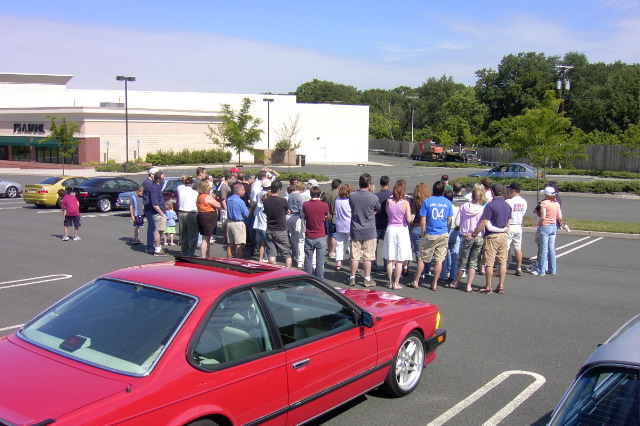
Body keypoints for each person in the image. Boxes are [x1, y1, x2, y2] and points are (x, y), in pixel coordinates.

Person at [409, 180, 453, 291]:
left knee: (422, 258)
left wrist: (423, 233)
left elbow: (423, 220)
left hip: (430, 232)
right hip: (443, 233)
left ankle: (416, 281)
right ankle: (434, 283)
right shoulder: (447, 203)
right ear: (443, 191)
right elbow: (449, 219)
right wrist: (447, 230)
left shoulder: (427, 202)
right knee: (439, 259)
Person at [471, 183, 512, 294]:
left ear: (492, 192)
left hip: (492, 236)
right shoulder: (507, 205)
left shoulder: (490, 205)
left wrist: (475, 233)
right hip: (503, 236)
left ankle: (488, 286)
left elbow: (484, 221)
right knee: (502, 261)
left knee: (489, 262)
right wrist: (504, 229)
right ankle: (501, 285)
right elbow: (509, 221)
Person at [346, 173, 381, 287]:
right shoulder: (373, 197)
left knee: (354, 256)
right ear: (369, 184)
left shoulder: (352, 196)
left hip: (356, 229)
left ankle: (352, 277)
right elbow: (378, 208)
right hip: (369, 230)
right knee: (368, 256)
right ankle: (367, 278)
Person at [451, 185, 487, 292]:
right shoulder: (482, 209)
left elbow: (457, 222)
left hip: (466, 235)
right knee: (473, 261)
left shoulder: (464, 206)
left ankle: (455, 282)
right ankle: (469, 285)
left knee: (462, 260)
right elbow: (483, 223)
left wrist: (464, 227)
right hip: (478, 236)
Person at [382, 180, 413, 290]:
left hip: (391, 228)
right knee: (400, 258)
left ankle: (390, 282)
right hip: (401, 229)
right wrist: (412, 217)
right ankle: (396, 283)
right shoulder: (405, 203)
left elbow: (387, 213)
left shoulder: (388, 201)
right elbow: (408, 219)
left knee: (390, 258)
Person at [533, 187, 562, 276]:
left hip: (545, 226)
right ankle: (552, 269)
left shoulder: (544, 203)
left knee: (543, 249)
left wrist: (539, 223)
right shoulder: (556, 203)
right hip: (553, 226)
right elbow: (559, 216)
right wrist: (560, 223)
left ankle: (541, 270)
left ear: (546, 194)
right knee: (551, 249)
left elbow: (543, 216)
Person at [262, 180, 292, 267]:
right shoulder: (283, 201)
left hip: (270, 228)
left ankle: (273, 271)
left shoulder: (266, 201)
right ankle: (288, 272)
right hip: (280, 229)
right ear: (279, 189)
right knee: (286, 253)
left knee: (271, 253)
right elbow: (286, 211)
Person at [302, 185, 329, 279]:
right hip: (320, 234)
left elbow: (304, 215)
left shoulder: (305, 205)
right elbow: (325, 217)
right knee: (320, 260)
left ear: (310, 194)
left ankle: (308, 277)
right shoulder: (324, 205)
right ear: (319, 194)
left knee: (308, 259)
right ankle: (319, 278)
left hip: (309, 234)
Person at [407, 183, 430, 277]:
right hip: (427, 227)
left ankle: (420, 271)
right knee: (427, 250)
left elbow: (412, 216)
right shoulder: (428, 201)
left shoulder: (415, 202)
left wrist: (409, 222)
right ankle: (427, 270)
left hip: (416, 227)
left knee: (418, 251)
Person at [505, 182, 528, 276]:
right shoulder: (524, 202)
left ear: (513, 190)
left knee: (505, 248)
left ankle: (504, 266)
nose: (508, 192)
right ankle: (518, 268)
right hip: (519, 225)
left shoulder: (509, 202)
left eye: (509, 190)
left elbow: (506, 214)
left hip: (510, 225)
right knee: (518, 248)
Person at [197, 180, 221, 258]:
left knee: (206, 237)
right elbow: (217, 205)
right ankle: (204, 256)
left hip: (201, 215)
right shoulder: (206, 196)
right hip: (208, 216)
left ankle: (207, 255)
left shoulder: (199, 196)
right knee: (206, 238)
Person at [372, 175, 392, 271]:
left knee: (374, 246)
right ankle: (386, 264)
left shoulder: (376, 195)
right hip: (388, 223)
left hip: (376, 222)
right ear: (388, 184)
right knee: (387, 246)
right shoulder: (392, 195)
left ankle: (374, 264)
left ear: (380, 184)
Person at [226, 183, 249, 259]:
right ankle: (238, 262)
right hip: (238, 224)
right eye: (243, 190)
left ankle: (228, 262)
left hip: (229, 222)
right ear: (239, 192)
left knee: (230, 244)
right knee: (239, 245)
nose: (244, 192)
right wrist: (251, 209)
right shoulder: (240, 201)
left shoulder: (229, 199)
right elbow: (246, 214)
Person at [287, 181, 307, 268]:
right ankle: (300, 260)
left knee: (293, 238)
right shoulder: (300, 196)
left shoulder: (290, 195)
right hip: (297, 217)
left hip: (289, 217)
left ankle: (295, 256)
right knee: (300, 239)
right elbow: (301, 209)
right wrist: (304, 218)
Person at [148, 171, 168, 256]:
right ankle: (157, 250)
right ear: (158, 178)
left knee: (160, 231)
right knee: (158, 231)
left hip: (160, 212)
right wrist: (162, 214)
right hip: (158, 213)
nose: (164, 179)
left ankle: (158, 248)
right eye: (162, 178)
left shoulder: (157, 186)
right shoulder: (154, 188)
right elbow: (155, 204)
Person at [177, 177, 199, 256]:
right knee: (193, 234)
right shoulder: (195, 193)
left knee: (184, 234)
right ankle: (190, 253)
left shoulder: (180, 191)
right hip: (191, 213)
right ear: (192, 184)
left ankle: (184, 251)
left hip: (181, 212)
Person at [334, 183, 353, 272]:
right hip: (349, 224)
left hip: (339, 224)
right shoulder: (350, 201)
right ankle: (351, 265)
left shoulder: (337, 200)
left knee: (339, 244)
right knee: (351, 245)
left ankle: (338, 263)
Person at [321, 178, 341, 259]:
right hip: (334, 216)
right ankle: (332, 252)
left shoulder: (326, 193)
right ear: (338, 187)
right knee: (334, 235)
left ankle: (329, 250)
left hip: (327, 216)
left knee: (329, 235)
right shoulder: (338, 195)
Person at [253, 178, 271, 263]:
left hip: (258, 220)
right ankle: (266, 257)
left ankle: (261, 258)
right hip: (265, 222)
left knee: (262, 242)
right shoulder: (268, 195)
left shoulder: (258, 193)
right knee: (267, 241)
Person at [142, 167, 159, 254]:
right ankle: (150, 246)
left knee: (154, 227)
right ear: (152, 174)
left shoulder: (147, 182)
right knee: (152, 227)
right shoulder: (148, 183)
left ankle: (152, 245)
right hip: (149, 207)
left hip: (149, 207)